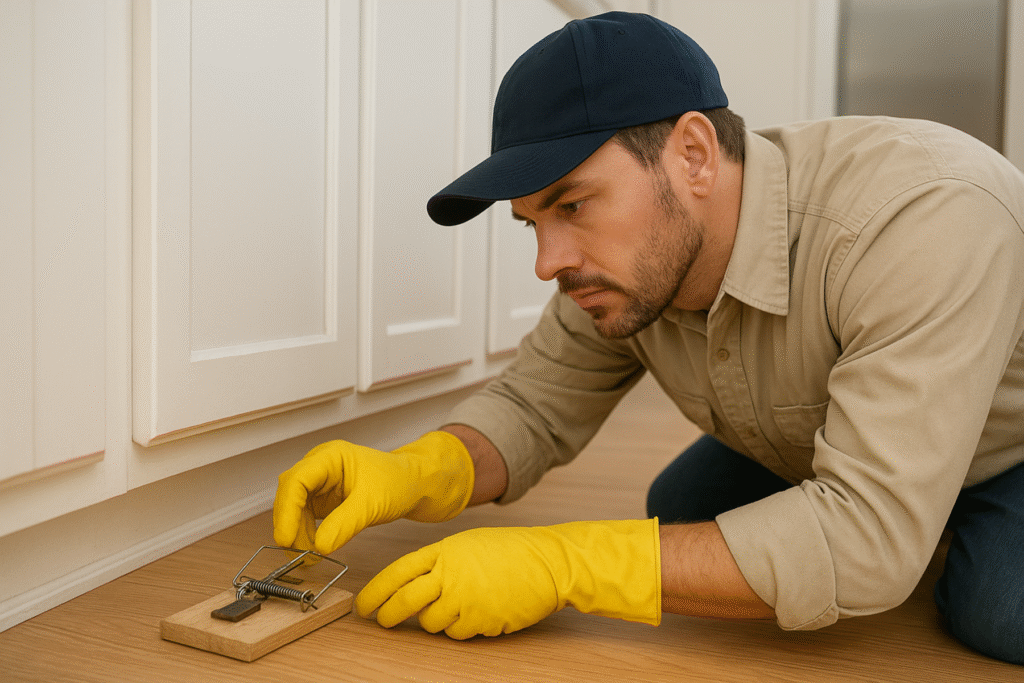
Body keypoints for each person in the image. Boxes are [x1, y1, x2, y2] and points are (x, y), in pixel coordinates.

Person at [273, 12, 1024, 663]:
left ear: (692, 155)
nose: (547, 263)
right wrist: (414, 468)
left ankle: (924, 517)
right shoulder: (631, 267)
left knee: (997, 608)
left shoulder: (920, 218)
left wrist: (567, 562)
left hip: (1007, 445)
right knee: (682, 505)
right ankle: (904, 507)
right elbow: (535, 406)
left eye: (572, 204)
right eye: (533, 223)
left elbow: (863, 541)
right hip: (854, 436)